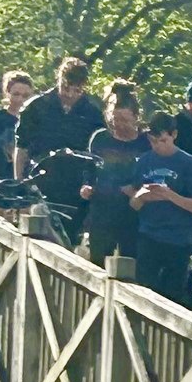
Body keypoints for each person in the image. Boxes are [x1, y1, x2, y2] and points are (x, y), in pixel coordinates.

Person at [129, 113, 192, 305]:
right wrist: (142, 196)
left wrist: (168, 194)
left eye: (163, 140)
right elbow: (134, 205)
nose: (158, 146)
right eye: (153, 141)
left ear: (174, 135)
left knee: (172, 298)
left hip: (178, 239)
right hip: (149, 235)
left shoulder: (189, 163)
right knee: (143, 292)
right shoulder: (144, 161)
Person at [81, 80, 148, 264]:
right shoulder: (100, 138)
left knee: (128, 265)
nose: (119, 124)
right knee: (97, 263)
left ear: (136, 117)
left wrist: (136, 189)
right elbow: (89, 168)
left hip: (133, 216)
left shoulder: (145, 143)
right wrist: (87, 185)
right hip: (102, 212)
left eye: (125, 120)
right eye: (115, 119)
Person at [13, 56, 102, 182]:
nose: (70, 95)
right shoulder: (36, 107)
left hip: (77, 180)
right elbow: (22, 147)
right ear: (59, 80)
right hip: (38, 176)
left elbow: (99, 152)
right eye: (65, 88)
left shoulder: (93, 113)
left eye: (77, 90)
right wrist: (19, 181)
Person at [0, 70, 33, 171]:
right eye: (16, 94)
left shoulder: (35, 121)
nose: (20, 99)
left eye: (25, 96)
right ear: (7, 93)